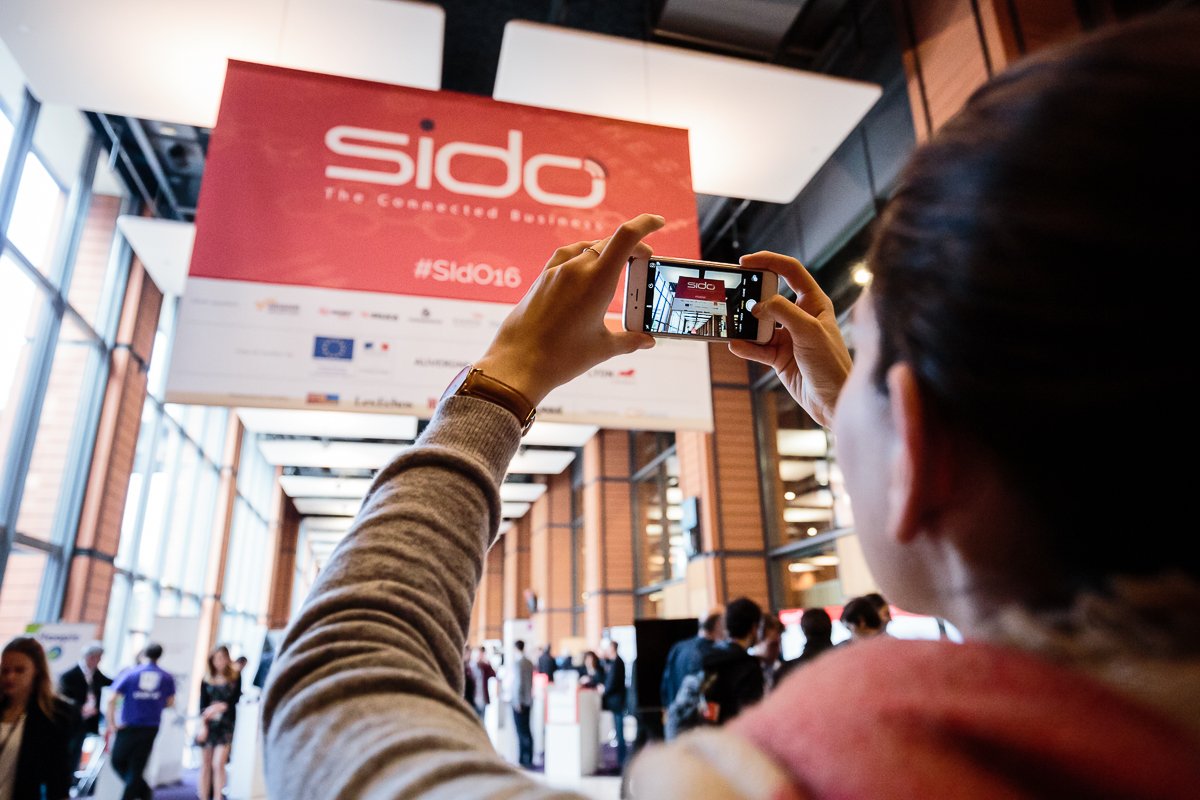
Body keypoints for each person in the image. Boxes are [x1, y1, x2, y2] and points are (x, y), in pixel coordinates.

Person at [260, 14, 1200, 796]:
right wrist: (858, 404)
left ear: (918, 450)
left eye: (865, 355)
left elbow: (340, 692)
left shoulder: (819, 772)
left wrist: (503, 382)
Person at [0, 637, 77, 800]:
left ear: (36, 670)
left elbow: (58, 775)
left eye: (19, 670)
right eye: (5, 670)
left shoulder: (54, 715)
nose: (10, 677)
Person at [107, 643, 175, 800]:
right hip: (151, 726)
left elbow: (111, 699)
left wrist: (112, 723)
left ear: (143, 654)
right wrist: (154, 704)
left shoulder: (131, 674)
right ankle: (144, 792)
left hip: (129, 725)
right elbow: (170, 702)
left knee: (120, 762)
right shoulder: (166, 677)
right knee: (136, 767)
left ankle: (140, 793)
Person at [698, 597, 765, 725]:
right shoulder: (749, 666)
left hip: (713, 731)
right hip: (738, 733)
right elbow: (751, 712)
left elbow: (707, 705)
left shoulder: (711, 660)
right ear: (754, 628)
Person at [57, 641, 111, 778]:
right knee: (68, 749)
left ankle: (71, 776)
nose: (99, 661)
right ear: (91, 657)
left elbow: (110, 682)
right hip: (72, 720)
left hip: (86, 722)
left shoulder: (96, 674)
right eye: (98, 658)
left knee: (78, 751)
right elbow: (64, 699)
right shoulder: (69, 676)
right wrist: (80, 709)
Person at [197, 646, 241, 800]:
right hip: (208, 723)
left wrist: (222, 707)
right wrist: (203, 724)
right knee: (205, 764)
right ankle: (203, 796)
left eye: (222, 658)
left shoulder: (235, 677)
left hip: (225, 725)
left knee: (218, 763)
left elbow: (234, 702)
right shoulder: (206, 679)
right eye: (216, 659)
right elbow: (202, 706)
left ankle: (218, 796)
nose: (219, 662)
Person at [659, 612, 721, 714]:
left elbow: (666, 684)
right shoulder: (714, 653)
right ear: (718, 625)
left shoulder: (678, 647)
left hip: (676, 715)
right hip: (700, 717)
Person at [600, 640, 628, 769]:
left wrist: (604, 689)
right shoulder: (614, 662)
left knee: (619, 731)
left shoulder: (617, 663)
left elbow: (612, 682)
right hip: (615, 701)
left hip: (617, 701)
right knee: (618, 731)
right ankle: (621, 759)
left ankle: (622, 760)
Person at [510, 640, 534, 768]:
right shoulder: (529, 663)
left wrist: (517, 700)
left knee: (521, 732)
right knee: (527, 730)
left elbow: (518, 683)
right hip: (528, 700)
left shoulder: (518, 663)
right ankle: (528, 757)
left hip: (520, 702)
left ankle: (522, 759)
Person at [467, 647, 496, 721]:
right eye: (478, 654)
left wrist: (487, 662)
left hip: (483, 699)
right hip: (472, 700)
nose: (479, 656)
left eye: (481, 654)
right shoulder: (469, 667)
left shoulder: (484, 667)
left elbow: (493, 674)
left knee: (482, 721)